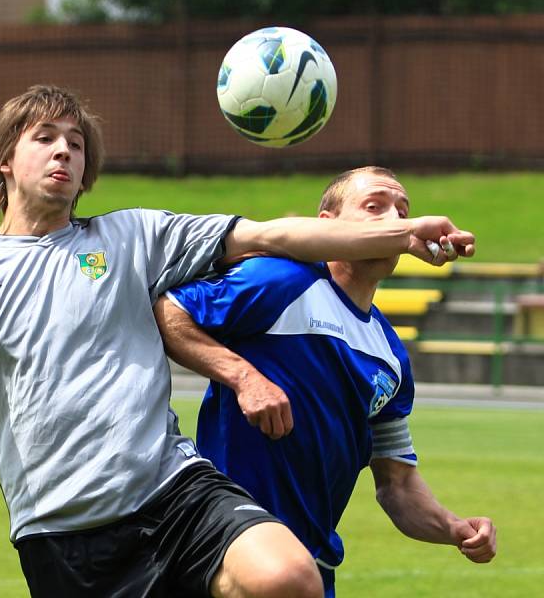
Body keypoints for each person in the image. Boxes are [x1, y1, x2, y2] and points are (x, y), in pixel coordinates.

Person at [0, 86, 475, 598]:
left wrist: (402, 234)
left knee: (288, 577)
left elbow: (273, 233)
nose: (64, 152)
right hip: (63, 529)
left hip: (171, 488)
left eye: (76, 144)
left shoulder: (131, 237)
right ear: (6, 161)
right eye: (46, 139)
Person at [154, 166, 496, 597]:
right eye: (374, 207)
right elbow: (168, 311)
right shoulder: (280, 281)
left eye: (402, 211)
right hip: (226, 544)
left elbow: (398, 484)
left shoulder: (389, 354)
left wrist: (454, 527)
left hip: (312, 563)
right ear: (325, 226)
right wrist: (243, 377)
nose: (393, 219)